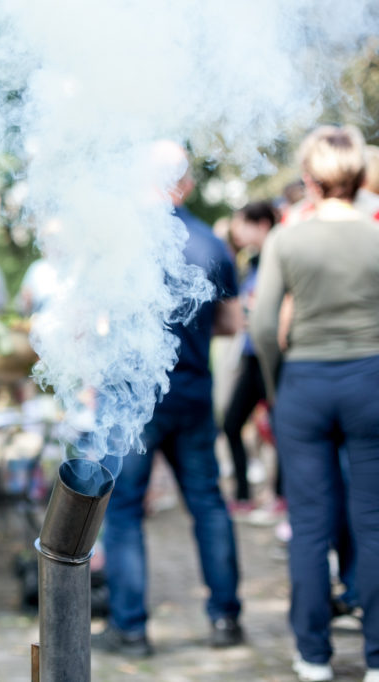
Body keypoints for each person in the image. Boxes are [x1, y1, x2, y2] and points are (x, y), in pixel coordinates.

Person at [96, 140, 244, 657]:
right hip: (193, 393)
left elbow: (94, 317)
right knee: (206, 502)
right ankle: (226, 620)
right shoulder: (209, 241)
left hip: (130, 399)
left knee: (123, 511)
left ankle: (131, 629)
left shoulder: (123, 239)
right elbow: (231, 320)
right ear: (184, 183)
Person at [250, 124, 379, 682]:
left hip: (304, 383)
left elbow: (260, 326)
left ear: (308, 179)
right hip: (371, 381)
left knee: (309, 526)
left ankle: (313, 657)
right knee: (373, 524)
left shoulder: (287, 239)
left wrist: (280, 386)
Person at [220, 200, 279, 512]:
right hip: (251, 353)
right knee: (232, 423)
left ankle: (280, 497)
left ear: (262, 225)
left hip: (271, 356)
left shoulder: (279, 255)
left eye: (243, 223)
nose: (236, 230)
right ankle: (244, 493)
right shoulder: (253, 261)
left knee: (280, 428)